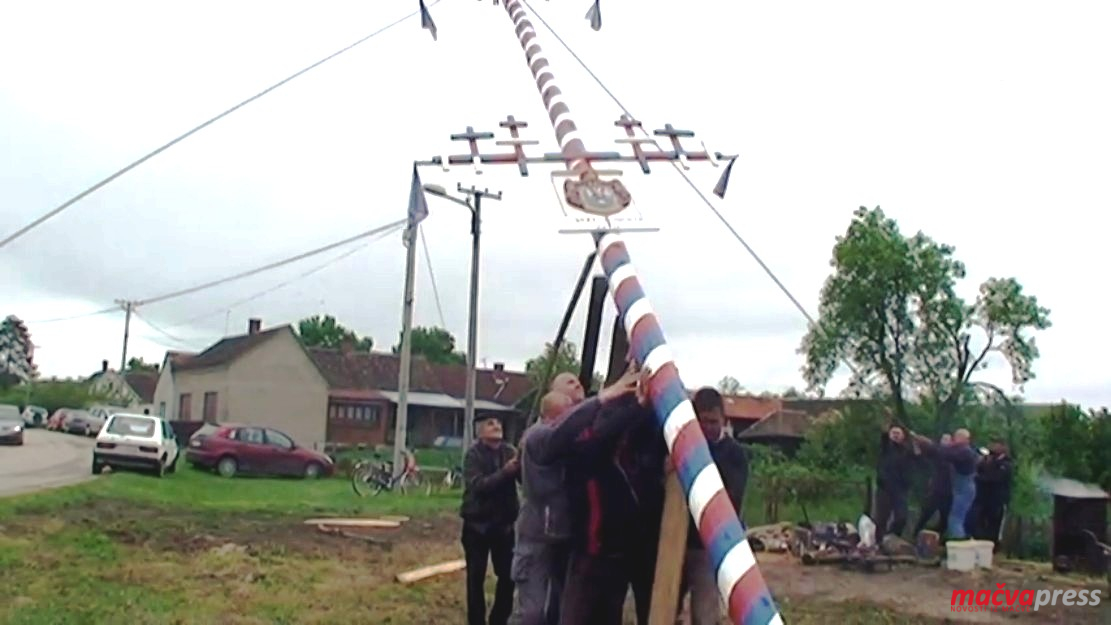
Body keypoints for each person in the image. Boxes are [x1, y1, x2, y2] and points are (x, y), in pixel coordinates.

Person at [509, 368, 642, 625]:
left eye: (580, 384)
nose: (578, 387)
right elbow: (564, 433)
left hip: (569, 534)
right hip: (539, 534)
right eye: (570, 383)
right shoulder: (539, 436)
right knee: (532, 611)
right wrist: (604, 396)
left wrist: (636, 401)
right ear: (552, 397)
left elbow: (603, 432)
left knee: (561, 609)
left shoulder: (580, 429)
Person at [559, 364, 660, 625]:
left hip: (617, 552)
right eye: (569, 384)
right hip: (591, 552)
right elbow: (604, 435)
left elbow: (619, 426)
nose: (577, 385)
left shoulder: (606, 436)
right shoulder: (571, 437)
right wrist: (638, 403)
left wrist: (639, 392)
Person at [678, 387, 749, 625]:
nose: (707, 427)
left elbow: (731, 501)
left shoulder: (734, 454)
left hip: (708, 546)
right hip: (676, 541)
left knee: (705, 614)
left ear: (723, 420)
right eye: (701, 421)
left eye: (712, 421)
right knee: (664, 608)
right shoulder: (681, 446)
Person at [461, 415, 520, 625]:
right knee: (475, 579)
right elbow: (479, 486)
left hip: (504, 526)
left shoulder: (510, 452)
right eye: (490, 423)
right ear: (479, 432)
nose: (496, 426)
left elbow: (524, 479)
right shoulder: (473, 455)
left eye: (498, 423)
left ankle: (499, 620)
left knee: (508, 576)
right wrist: (505, 472)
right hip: (477, 526)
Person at [912, 428, 979, 540]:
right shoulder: (959, 449)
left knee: (955, 519)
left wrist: (927, 443)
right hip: (959, 488)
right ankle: (956, 541)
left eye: (957, 437)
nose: (954, 439)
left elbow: (944, 453)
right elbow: (939, 452)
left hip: (964, 489)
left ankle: (959, 542)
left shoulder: (965, 451)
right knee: (954, 518)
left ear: (964, 439)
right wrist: (924, 443)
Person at [873, 425, 915, 538]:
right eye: (893, 433)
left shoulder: (907, 451)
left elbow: (917, 451)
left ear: (903, 436)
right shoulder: (886, 447)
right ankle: (879, 541)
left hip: (900, 489)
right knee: (881, 518)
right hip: (884, 488)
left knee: (902, 517)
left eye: (898, 433)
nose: (895, 435)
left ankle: (892, 536)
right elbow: (884, 436)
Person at [972, 441, 1013, 545]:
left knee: (994, 524)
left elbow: (996, 478)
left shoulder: (1006, 465)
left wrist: (979, 478)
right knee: (979, 520)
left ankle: (992, 545)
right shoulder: (988, 461)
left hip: (998, 499)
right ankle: (979, 541)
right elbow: (979, 470)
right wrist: (983, 461)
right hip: (984, 498)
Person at [912, 433, 952, 537]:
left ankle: (938, 537)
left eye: (948, 439)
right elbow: (921, 456)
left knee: (945, 517)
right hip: (937, 488)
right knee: (926, 513)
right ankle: (915, 534)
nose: (945, 441)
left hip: (949, 491)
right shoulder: (936, 452)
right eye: (943, 439)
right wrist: (918, 443)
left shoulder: (955, 454)